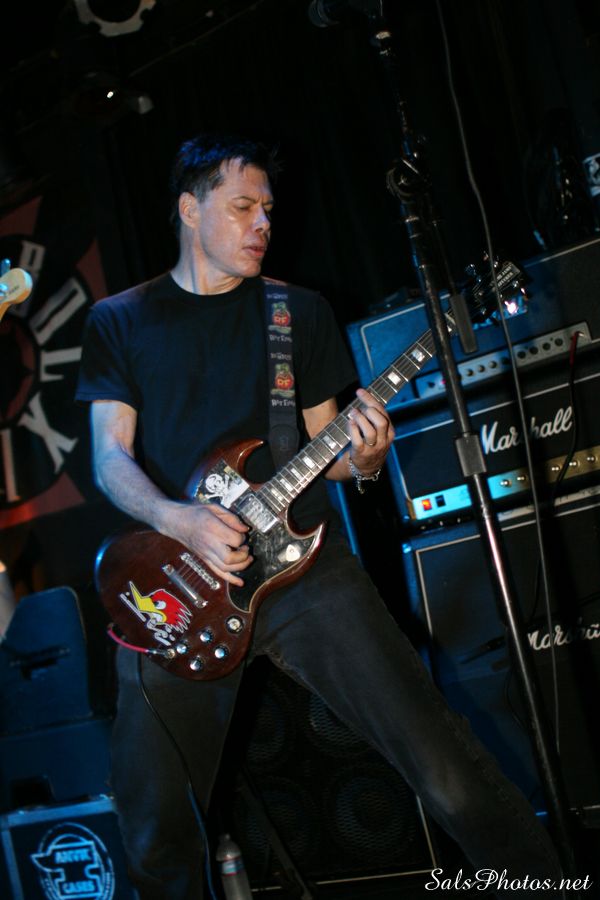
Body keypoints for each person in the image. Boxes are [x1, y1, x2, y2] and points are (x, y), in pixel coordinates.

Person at [76, 134, 564, 898]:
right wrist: (178, 520)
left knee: (443, 763)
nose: (262, 223)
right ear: (189, 209)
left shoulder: (295, 312)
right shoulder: (119, 319)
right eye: (243, 206)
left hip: (306, 574)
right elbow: (109, 457)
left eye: (268, 209)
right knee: (155, 827)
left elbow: (328, 448)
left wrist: (365, 458)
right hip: (178, 580)